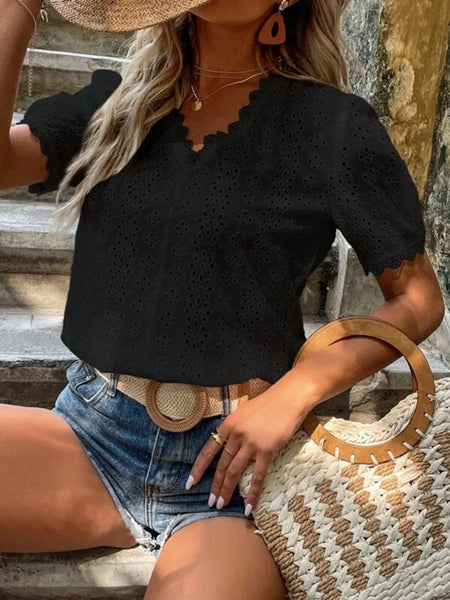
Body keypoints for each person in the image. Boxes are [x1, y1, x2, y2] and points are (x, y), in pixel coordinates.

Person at [0, 0, 445, 598]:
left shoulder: (333, 127)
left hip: (232, 474)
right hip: (92, 435)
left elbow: (418, 299)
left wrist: (297, 390)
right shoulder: (115, 104)